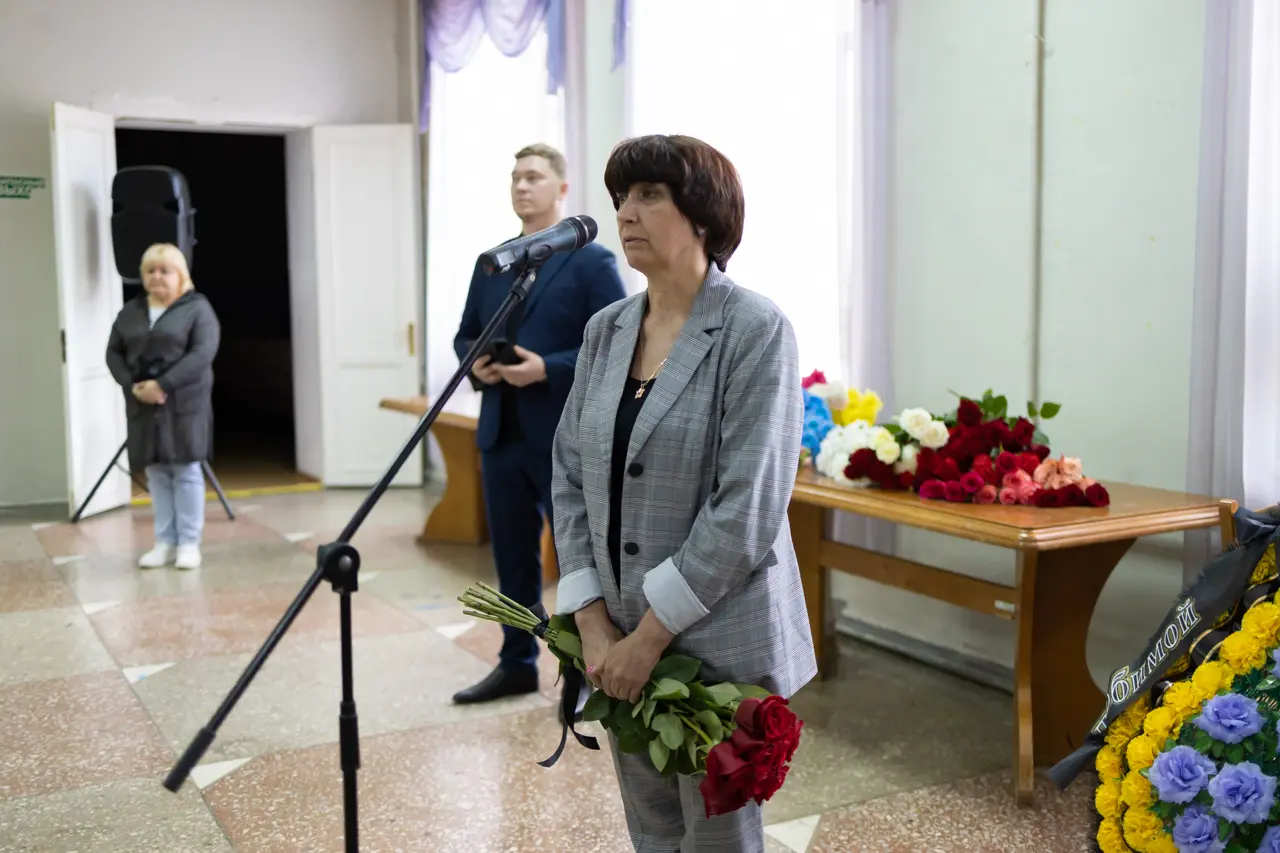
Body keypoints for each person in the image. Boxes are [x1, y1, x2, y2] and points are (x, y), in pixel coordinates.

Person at [550, 134, 817, 851]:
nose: (625, 213)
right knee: (653, 830)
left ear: (703, 215)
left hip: (717, 637)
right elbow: (570, 474)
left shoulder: (754, 329)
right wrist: (592, 620)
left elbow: (747, 506)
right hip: (615, 633)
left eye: (648, 195)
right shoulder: (607, 331)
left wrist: (650, 636)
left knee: (719, 835)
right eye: (620, 198)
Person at [451, 143, 627, 704]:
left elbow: (617, 347)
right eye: (515, 178)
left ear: (562, 189)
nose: (522, 186)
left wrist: (545, 369)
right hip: (500, 431)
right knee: (512, 558)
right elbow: (465, 334)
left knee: (577, 562)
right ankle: (516, 662)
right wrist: (476, 363)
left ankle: (580, 673)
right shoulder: (494, 262)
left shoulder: (593, 263)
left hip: (562, 436)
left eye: (533, 177)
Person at [106, 243, 221, 570]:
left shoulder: (197, 308)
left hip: (183, 403)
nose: (157, 276)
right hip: (143, 403)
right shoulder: (131, 311)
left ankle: (189, 543)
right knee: (156, 472)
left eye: (165, 270)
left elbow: (203, 353)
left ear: (180, 275)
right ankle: (164, 542)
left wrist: (163, 384)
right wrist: (132, 385)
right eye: (150, 271)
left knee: (185, 470)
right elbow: (113, 352)